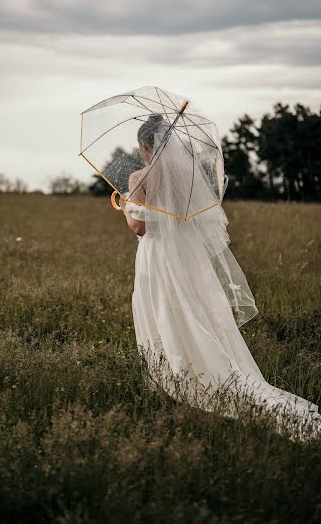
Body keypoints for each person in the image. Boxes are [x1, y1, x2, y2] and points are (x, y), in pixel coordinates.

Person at [119, 112, 321, 443]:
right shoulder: (189, 173)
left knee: (165, 309)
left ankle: (178, 377)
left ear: (145, 145)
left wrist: (128, 208)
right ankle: (216, 369)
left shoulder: (139, 178)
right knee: (197, 310)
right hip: (188, 253)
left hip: (159, 255)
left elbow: (140, 227)